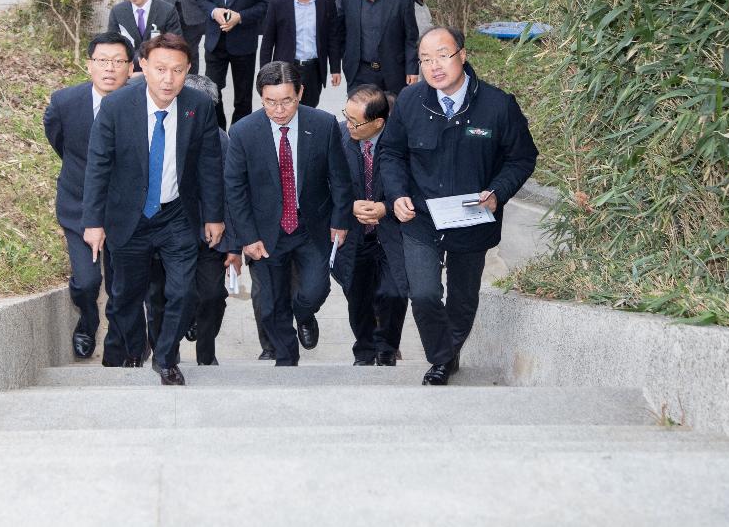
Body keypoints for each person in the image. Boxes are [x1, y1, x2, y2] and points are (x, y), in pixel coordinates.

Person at [378, 26, 538, 385]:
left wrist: (497, 192)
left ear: (462, 55)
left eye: (443, 56)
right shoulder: (409, 101)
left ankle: (446, 356)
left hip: (473, 217)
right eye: (425, 59)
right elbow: (390, 152)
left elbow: (522, 158)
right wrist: (398, 193)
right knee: (423, 294)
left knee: (463, 299)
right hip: (420, 216)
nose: (434, 66)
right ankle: (441, 357)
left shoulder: (498, 105)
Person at [81, 35, 226, 385]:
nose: (168, 79)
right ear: (141, 66)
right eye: (160, 69)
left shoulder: (198, 106)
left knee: (182, 291)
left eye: (177, 70)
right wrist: (93, 222)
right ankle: (134, 348)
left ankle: (165, 358)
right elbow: (98, 165)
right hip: (128, 216)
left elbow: (209, 163)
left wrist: (214, 215)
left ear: (188, 70)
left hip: (176, 215)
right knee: (125, 297)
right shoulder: (117, 107)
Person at [225, 61, 353, 366]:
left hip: (312, 226)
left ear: (300, 93)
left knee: (315, 290)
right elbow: (235, 188)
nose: (279, 109)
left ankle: (304, 314)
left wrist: (340, 220)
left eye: (286, 100)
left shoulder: (323, 125)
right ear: (261, 97)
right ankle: (286, 361)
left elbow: (339, 178)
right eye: (270, 101)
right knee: (270, 304)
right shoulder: (243, 132)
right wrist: (247, 236)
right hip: (266, 233)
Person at [43, 31, 134, 364]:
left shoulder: (141, 102)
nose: (109, 69)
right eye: (102, 61)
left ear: (130, 67)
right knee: (87, 281)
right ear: (89, 65)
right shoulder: (64, 103)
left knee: (123, 285)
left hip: (126, 211)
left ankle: (119, 338)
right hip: (78, 206)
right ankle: (87, 321)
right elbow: (60, 143)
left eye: (118, 62)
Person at [144, 74, 240, 366]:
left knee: (211, 296)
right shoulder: (157, 134)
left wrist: (234, 247)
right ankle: (164, 356)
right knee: (158, 296)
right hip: (164, 232)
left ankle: (206, 356)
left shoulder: (225, 144)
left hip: (210, 236)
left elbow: (234, 196)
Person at [336, 84, 410, 366]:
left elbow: (416, 184)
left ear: (378, 122)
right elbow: (326, 182)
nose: (349, 125)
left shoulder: (401, 141)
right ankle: (365, 351)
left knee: (394, 292)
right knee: (357, 295)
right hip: (355, 234)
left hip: (391, 233)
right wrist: (349, 205)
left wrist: (386, 208)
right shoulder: (339, 136)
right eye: (347, 116)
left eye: (355, 121)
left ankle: (387, 348)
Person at [196, 0, 271, 130]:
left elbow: (264, 5)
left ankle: (239, 133)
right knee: (212, 92)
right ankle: (218, 131)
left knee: (243, 95)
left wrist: (241, 17)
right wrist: (214, 11)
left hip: (243, 42)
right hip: (215, 40)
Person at [258, 0, 342, 109]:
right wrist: (264, 74)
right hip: (285, 68)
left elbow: (332, 37)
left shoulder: (326, 1)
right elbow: (268, 41)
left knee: (309, 110)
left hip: (313, 69)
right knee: (284, 108)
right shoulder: (278, 2)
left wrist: (335, 68)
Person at [337, 0, 419, 93]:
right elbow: (339, 32)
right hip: (359, 72)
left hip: (393, 71)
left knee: (392, 112)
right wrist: (346, 58)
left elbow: (411, 37)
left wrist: (412, 69)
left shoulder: (402, 0)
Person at [107, 0, 182, 68]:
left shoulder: (167, 11)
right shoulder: (117, 12)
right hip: (127, 70)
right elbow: (112, 45)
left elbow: (175, 45)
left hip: (158, 69)